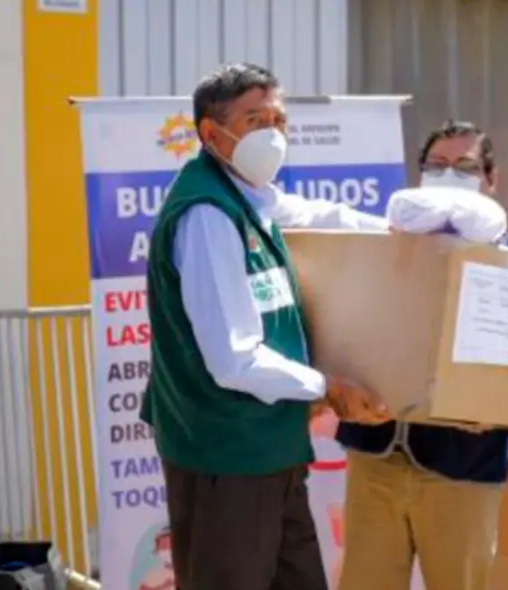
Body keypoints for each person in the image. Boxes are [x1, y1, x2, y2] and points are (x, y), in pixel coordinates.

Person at [140, 62, 391, 590]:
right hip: (226, 461)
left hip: (271, 452)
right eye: (255, 120)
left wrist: (400, 230)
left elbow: (322, 215)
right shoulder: (207, 216)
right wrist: (327, 389)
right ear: (212, 133)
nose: (272, 134)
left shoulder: (251, 199)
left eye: (278, 119)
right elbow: (235, 357)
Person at [334, 120, 508, 590]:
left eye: (463, 167)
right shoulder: (384, 246)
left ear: (491, 180)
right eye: (437, 166)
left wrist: (498, 406)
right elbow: (349, 328)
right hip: (376, 456)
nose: (448, 176)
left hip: (461, 467)